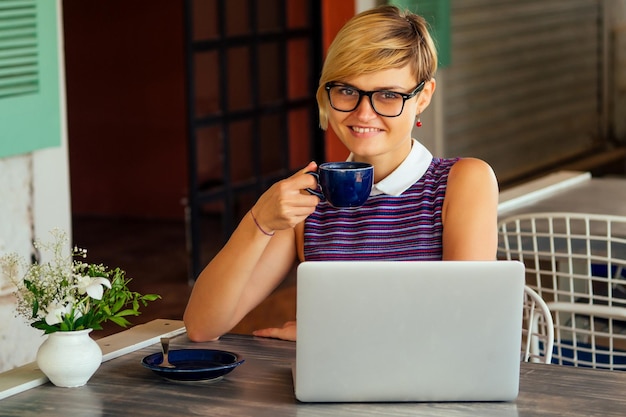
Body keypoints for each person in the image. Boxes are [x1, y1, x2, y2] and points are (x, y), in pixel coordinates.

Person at [184, 5, 499, 342]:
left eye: (388, 95)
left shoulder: (462, 182)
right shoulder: (307, 199)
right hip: (328, 392)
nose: (364, 114)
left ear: (422, 97)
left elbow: (466, 324)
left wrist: (331, 333)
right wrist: (258, 220)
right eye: (348, 90)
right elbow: (203, 326)